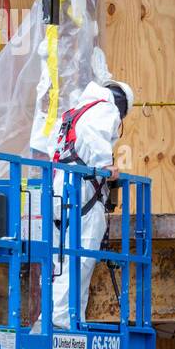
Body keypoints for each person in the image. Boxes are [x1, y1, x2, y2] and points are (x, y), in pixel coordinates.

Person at [47, 78, 134, 330]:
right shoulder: (104, 109)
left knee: (62, 259)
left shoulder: (72, 114)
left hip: (60, 187)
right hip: (82, 190)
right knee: (81, 256)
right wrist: (105, 164)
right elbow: (93, 135)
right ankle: (63, 321)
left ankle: (61, 316)